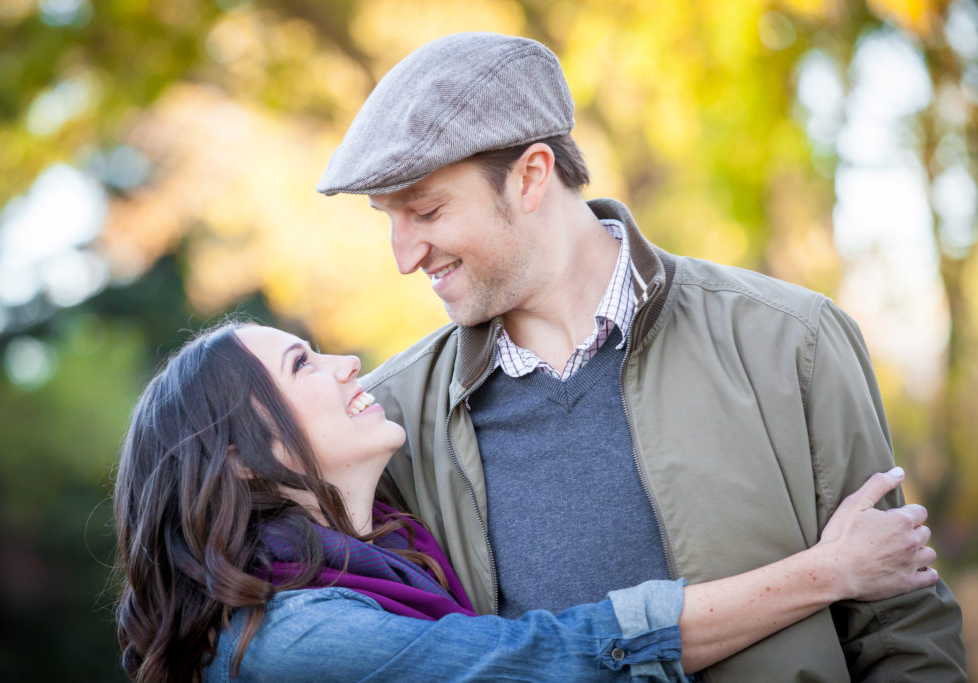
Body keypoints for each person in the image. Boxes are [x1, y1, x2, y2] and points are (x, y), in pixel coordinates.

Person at [316, 32, 966, 681]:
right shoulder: (392, 419)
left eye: (425, 212)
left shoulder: (792, 340)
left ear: (531, 176)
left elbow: (902, 629)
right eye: (388, 219)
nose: (404, 257)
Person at [113, 321, 939, 682]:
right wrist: (831, 571)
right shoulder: (288, 639)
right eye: (302, 366)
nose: (346, 361)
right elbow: (552, 660)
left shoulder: (395, 553)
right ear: (242, 459)